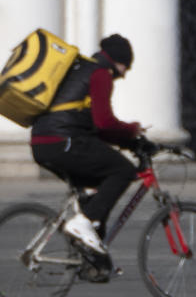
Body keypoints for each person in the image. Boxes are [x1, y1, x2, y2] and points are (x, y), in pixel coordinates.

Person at [30, 33, 147, 258]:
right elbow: (104, 123)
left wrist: (125, 141)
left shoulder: (82, 68)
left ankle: (90, 260)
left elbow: (92, 126)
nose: (124, 74)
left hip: (43, 142)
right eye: (126, 67)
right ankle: (82, 223)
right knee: (123, 171)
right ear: (118, 61)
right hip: (63, 141)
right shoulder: (100, 74)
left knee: (99, 189)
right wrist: (132, 131)